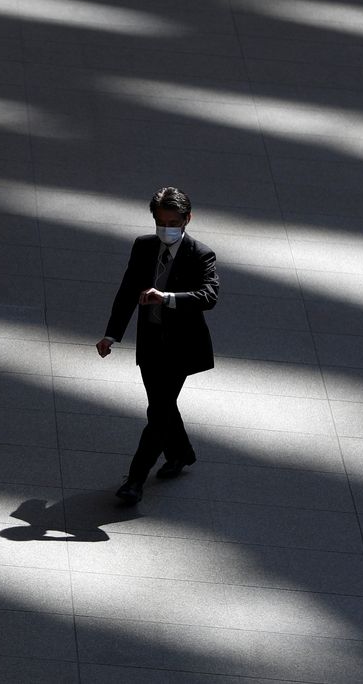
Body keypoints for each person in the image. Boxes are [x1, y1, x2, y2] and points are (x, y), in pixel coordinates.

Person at [96, 186, 219, 505]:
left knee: (158, 411)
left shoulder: (200, 254)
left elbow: (209, 297)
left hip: (181, 348)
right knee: (162, 407)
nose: (166, 228)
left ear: (187, 219)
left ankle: (135, 480)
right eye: (160, 221)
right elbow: (126, 293)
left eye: (173, 221)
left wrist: (167, 298)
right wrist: (112, 335)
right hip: (150, 344)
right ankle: (182, 453)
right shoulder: (144, 247)